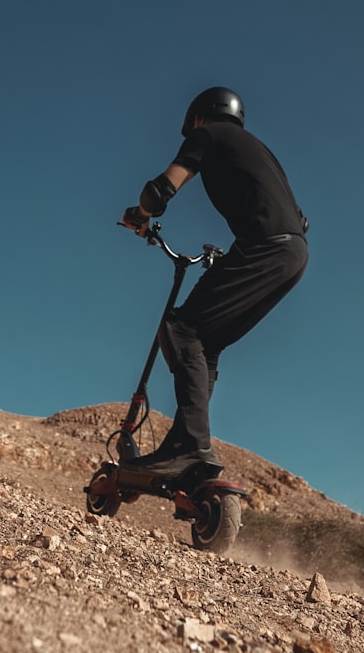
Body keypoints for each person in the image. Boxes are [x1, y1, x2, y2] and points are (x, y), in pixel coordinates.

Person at [119, 86, 309, 477]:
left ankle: (189, 446)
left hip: (263, 249)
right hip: (292, 253)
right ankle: (186, 446)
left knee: (180, 328)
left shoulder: (208, 136)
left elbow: (160, 191)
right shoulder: (260, 150)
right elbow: (296, 217)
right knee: (207, 342)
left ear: (198, 118)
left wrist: (139, 214)